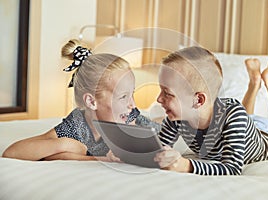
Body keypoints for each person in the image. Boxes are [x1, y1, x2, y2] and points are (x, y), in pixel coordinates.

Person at [2, 39, 158, 161]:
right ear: (91, 102)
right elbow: (12, 152)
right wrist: (64, 145)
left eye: (132, 94)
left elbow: (156, 141)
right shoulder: (77, 125)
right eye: (123, 97)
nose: (132, 104)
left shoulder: (129, 117)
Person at [153, 46, 268, 175]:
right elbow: (157, 151)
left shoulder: (233, 114)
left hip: (267, 135)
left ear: (198, 100)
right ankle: (254, 82)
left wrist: (187, 165)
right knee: (246, 116)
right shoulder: (177, 117)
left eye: (167, 93)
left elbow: (232, 168)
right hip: (243, 126)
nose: (159, 99)